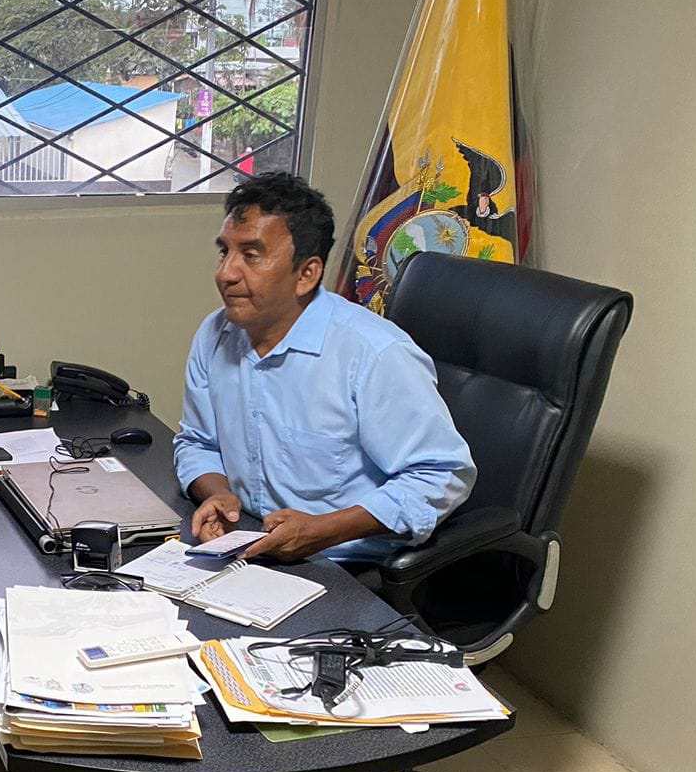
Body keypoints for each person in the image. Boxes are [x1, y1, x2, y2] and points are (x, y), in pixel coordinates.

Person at [174, 172, 476, 563]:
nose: (225, 273)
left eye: (250, 255)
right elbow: (198, 442)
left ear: (306, 274)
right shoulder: (216, 334)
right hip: (248, 541)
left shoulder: (373, 353)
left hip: (344, 566)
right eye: (224, 252)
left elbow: (442, 475)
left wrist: (324, 530)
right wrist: (218, 496)